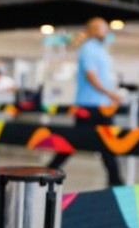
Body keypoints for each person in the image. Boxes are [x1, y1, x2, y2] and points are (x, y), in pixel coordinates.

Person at [47, 17, 123, 186]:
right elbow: (91, 76)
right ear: (93, 30)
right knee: (74, 144)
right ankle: (48, 171)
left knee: (107, 147)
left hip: (102, 106)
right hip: (89, 106)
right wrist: (111, 94)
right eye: (102, 28)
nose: (105, 31)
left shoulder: (101, 49)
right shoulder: (88, 48)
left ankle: (116, 182)